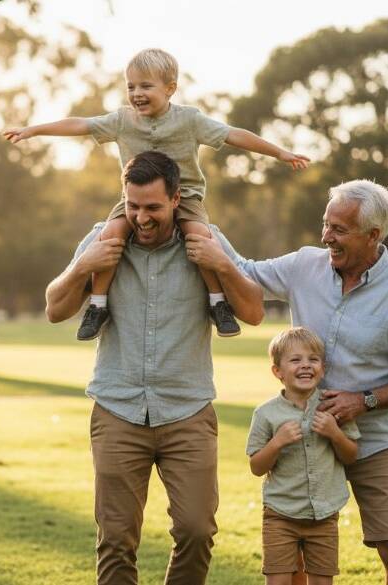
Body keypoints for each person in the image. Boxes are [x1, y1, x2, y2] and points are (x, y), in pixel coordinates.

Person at [185, 179, 388, 584]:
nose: (326, 237)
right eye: (326, 224)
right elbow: (246, 271)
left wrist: (363, 401)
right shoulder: (305, 265)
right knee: (297, 555)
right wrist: (196, 219)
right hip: (302, 435)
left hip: (373, 438)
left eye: (339, 229)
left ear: (373, 235)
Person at [45, 150, 264, 585]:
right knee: (115, 539)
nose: (141, 218)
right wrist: (84, 266)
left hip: (188, 411)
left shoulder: (207, 239)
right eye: (132, 206)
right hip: (118, 410)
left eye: (152, 208)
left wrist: (222, 263)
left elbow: (254, 312)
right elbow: (55, 308)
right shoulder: (103, 239)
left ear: (177, 199)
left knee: (197, 530)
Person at [5, 47, 308, 340]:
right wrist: (34, 130)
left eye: (146, 86)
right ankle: (97, 305)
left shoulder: (189, 120)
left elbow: (233, 135)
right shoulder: (122, 120)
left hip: (186, 194)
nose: (136, 93)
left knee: (199, 237)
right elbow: (81, 124)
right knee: (109, 235)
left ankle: (217, 302)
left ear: (170, 88)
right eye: (131, 86)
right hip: (135, 198)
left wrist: (279, 153)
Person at [247, 327, 360, 584]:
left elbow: (351, 456)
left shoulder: (334, 405)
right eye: (295, 360)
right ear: (278, 371)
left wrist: (335, 434)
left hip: (324, 515)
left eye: (313, 359)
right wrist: (277, 443)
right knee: (278, 581)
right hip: (280, 514)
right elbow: (256, 466)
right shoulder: (265, 414)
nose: (306, 365)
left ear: (323, 368)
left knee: (322, 581)